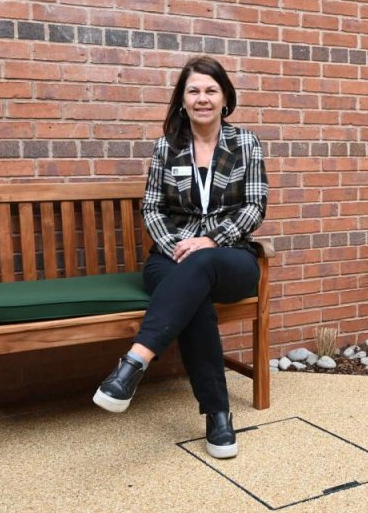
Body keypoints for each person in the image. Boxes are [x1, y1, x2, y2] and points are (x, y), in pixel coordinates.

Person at [93, 56, 268, 459]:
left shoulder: (246, 143)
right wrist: (176, 244)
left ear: (225, 98)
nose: (202, 98)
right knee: (195, 298)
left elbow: (254, 206)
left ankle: (133, 363)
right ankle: (218, 415)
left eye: (210, 90)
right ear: (182, 100)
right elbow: (152, 207)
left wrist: (210, 240)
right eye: (194, 91)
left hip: (230, 257)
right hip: (170, 256)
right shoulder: (166, 147)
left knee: (201, 264)